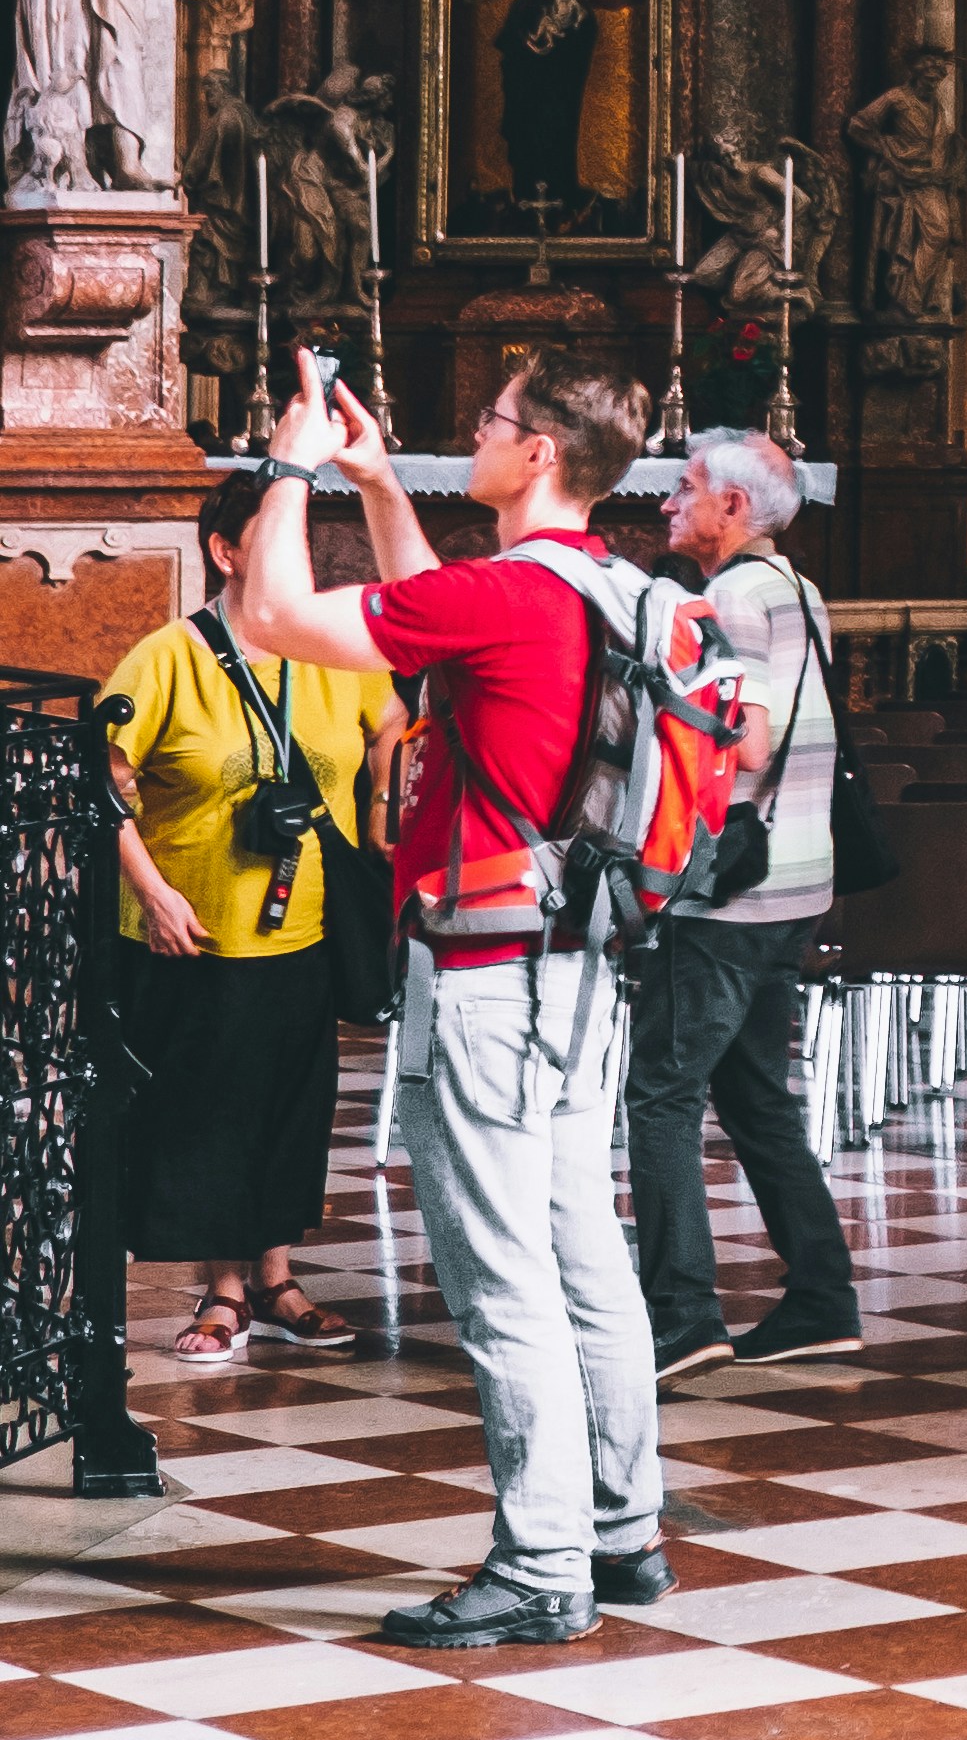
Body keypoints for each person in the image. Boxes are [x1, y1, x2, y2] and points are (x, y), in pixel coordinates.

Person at [236, 352, 688, 1652]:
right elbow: (435, 613)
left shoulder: (503, 594)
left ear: (537, 454)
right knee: (582, 1251)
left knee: (500, 1279)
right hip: (578, 961)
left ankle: (540, 1563)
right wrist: (377, 480)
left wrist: (292, 466)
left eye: (490, 422)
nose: (470, 437)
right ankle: (620, 1532)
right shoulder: (613, 587)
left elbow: (275, 616)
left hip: (488, 976)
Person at [97, 465, 394, 1369]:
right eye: (276, 544)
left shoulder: (332, 652)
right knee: (211, 1110)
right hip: (193, 928)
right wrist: (152, 889)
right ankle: (224, 1289)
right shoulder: (166, 657)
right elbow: (97, 780)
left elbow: (390, 725)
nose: (297, 564)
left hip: (303, 925)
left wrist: (380, 803)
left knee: (292, 1106)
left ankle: (276, 1275)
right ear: (227, 553)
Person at [627, 434, 861, 1382]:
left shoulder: (725, 597)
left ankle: (682, 1319)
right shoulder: (798, 587)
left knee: (660, 1096)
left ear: (732, 505)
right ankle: (820, 1299)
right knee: (758, 1094)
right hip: (802, 877)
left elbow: (749, 744)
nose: (667, 507)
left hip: (731, 895)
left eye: (684, 492)